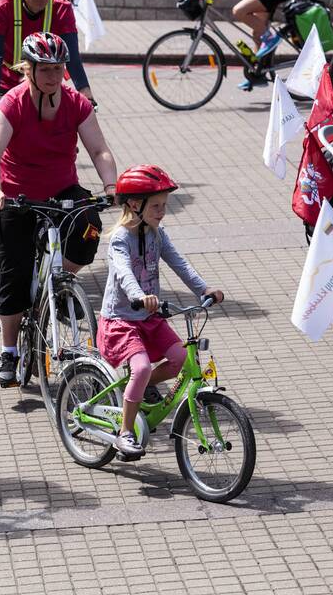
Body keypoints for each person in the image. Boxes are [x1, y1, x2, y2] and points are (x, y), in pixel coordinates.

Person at [0, 33, 118, 388]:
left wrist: (110, 186)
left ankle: (58, 284)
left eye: (58, 69)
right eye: (45, 70)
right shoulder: (13, 103)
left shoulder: (75, 103)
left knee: (89, 225)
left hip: (61, 191)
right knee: (14, 272)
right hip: (16, 195)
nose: (53, 76)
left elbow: (99, 150)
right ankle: (9, 350)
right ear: (29, 69)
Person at [98, 165, 223, 458]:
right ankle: (125, 433)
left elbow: (179, 263)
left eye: (164, 205)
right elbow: (124, 274)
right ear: (133, 204)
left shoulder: (157, 233)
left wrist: (202, 290)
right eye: (156, 206)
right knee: (141, 368)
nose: (162, 211)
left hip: (149, 318)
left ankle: (136, 389)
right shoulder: (120, 239)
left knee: (180, 358)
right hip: (122, 320)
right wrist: (139, 296)